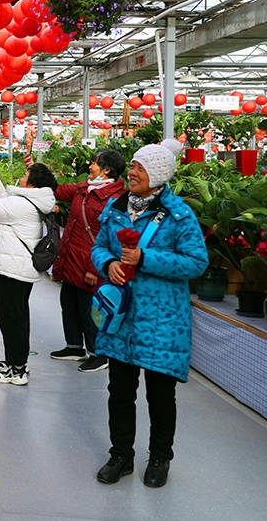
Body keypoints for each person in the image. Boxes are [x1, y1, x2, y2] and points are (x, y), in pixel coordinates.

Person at [90, 139, 207, 489]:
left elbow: (196, 262)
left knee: (160, 394)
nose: (132, 172)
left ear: (157, 174)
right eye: (133, 166)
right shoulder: (115, 207)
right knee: (119, 391)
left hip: (162, 320)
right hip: (122, 318)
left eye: (139, 168)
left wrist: (145, 258)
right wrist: (108, 264)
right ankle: (121, 455)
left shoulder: (178, 214)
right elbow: (99, 247)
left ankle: (159, 457)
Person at [26, 149, 127, 373]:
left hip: (90, 263)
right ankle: (74, 346)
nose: (90, 166)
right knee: (69, 302)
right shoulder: (84, 189)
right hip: (71, 259)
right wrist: (34, 169)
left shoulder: (115, 198)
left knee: (90, 309)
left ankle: (98, 354)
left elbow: (109, 238)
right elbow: (57, 189)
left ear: (106, 170)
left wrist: (94, 269)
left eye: (94, 163)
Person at [0, 160, 58, 386]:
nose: (22, 176)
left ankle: (17, 369)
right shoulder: (29, 200)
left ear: (32, 183)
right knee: (16, 316)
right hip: (15, 266)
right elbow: (6, 203)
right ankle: (15, 361)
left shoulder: (23, 204)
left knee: (11, 318)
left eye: (26, 174)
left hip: (13, 268)